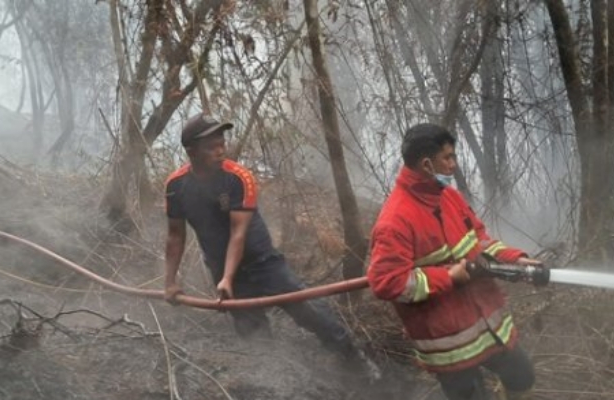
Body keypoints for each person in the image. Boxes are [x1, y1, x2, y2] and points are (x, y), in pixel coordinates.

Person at [163, 112, 379, 379]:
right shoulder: (176, 186)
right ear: (191, 151)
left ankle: (353, 358)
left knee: (307, 308)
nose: (220, 151)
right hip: (222, 269)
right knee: (252, 333)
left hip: (263, 262)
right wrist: (170, 282)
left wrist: (227, 278)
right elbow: (175, 236)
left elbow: (238, 232)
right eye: (211, 147)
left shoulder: (238, 178)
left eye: (222, 143)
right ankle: (272, 381)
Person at [366, 123, 542, 400]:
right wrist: (448, 278)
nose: (453, 164)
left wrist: (515, 259)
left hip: (486, 324)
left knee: (522, 376)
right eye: (447, 157)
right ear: (426, 164)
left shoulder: (449, 196)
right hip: (449, 343)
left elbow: (479, 239)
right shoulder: (395, 221)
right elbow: (387, 283)